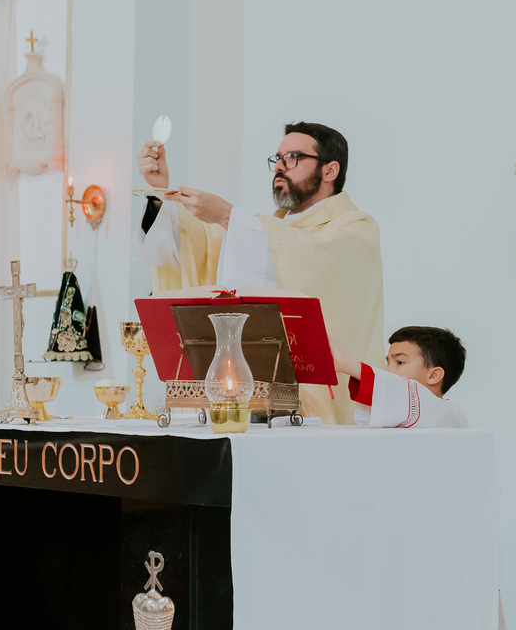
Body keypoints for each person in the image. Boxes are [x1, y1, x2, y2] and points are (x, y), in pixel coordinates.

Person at [132, 122, 384, 425]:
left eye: (292, 157)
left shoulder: (356, 229)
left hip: (320, 404)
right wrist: (161, 193)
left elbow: (306, 257)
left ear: (330, 170)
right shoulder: (269, 230)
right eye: (276, 159)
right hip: (251, 398)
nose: (279, 167)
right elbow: (199, 251)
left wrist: (228, 216)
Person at [332, 326, 469, 428]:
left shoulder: (445, 412)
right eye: (388, 363)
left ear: (433, 375)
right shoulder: (402, 414)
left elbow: (400, 392)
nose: (387, 370)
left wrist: (345, 364)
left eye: (400, 362)